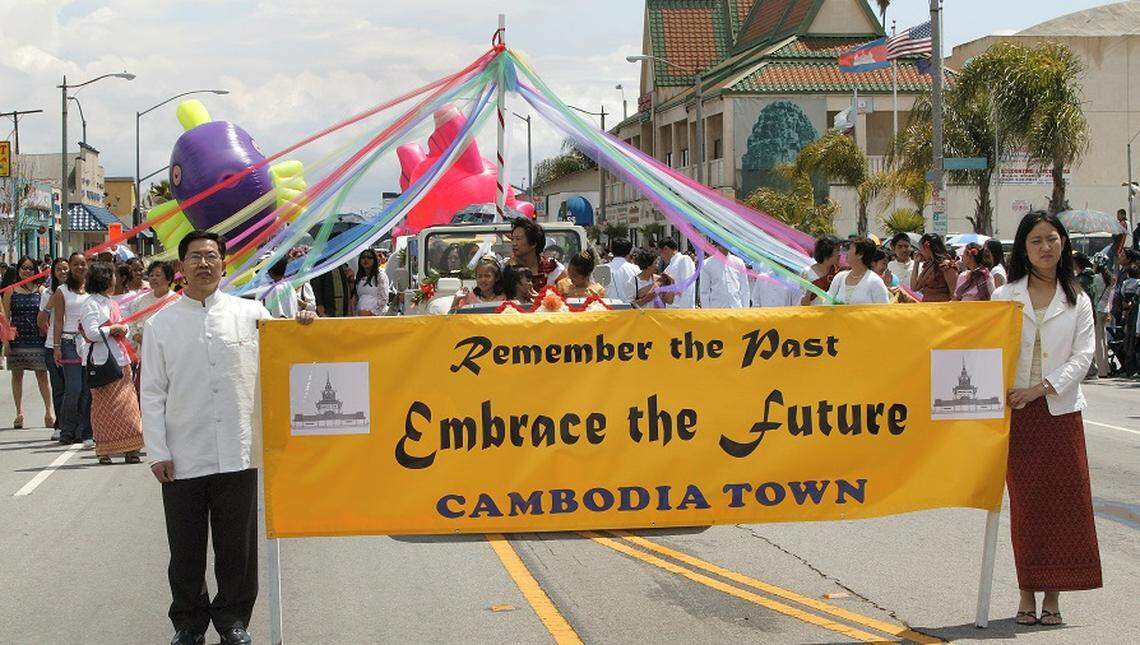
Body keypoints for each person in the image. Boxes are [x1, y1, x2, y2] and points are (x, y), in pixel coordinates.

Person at [142, 231, 316, 645]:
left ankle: (233, 619)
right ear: (181, 267)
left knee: (236, 548)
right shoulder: (160, 324)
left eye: (212, 257)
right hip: (182, 455)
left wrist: (305, 327)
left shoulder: (251, 313)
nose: (204, 264)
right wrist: (157, 452)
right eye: (195, 257)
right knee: (186, 550)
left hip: (239, 451)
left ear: (224, 264)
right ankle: (188, 623)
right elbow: (151, 392)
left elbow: (287, 353)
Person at [992, 211, 1102, 627]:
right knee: (1025, 506)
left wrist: (1040, 389)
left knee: (1064, 505)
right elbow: (982, 347)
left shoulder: (1078, 299)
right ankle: (1025, 591)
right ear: (1023, 247)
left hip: (1060, 412)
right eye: (1036, 240)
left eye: (1052, 239)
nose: (1045, 247)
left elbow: (1083, 357)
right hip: (1015, 415)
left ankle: (1053, 596)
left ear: (1063, 243)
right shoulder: (1005, 296)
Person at [79, 261, 143, 465]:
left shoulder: (112, 303)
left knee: (129, 405)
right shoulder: (90, 303)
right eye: (113, 276)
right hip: (102, 362)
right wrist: (112, 329)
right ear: (105, 279)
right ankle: (104, 449)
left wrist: (121, 329)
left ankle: (131, 448)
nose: (116, 280)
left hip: (121, 359)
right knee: (103, 408)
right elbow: (91, 333)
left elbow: (123, 326)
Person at [2, 257, 52, 429]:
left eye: (31, 268)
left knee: (42, 376)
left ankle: (48, 412)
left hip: (38, 338)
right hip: (17, 339)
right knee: (17, 376)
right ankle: (19, 412)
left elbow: (48, 315)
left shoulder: (41, 290)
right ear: (18, 270)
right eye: (24, 268)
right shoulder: (11, 291)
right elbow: (6, 318)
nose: (27, 271)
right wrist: (6, 342)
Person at [49, 252, 92, 447]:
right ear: (71, 266)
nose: (80, 267)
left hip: (89, 343)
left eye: (83, 264)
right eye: (76, 264)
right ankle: (66, 430)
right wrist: (56, 347)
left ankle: (82, 430)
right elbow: (58, 321)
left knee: (86, 389)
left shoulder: (93, 290)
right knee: (73, 388)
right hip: (69, 343)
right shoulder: (62, 291)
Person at [39, 257, 69, 439]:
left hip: (74, 345)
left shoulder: (79, 291)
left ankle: (77, 425)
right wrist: (50, 303)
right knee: (59, 387)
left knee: (75, 388)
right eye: (59, 269)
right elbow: (41, 320)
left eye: (66, 269)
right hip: (52, 346)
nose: (63, 272)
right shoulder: (47, 293)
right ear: (53, 272)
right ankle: (60, 425)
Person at [129, 261, 179, 349]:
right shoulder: (140, 300)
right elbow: (132, 322)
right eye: (151, 275)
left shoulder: (177, 301)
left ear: (169, 278)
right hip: (145, 349)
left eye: (158, 275)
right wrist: (137, 336)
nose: (153, 278)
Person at [509, 217, 566, 293]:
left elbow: (564, 298)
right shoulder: (505, 267)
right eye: (512, 239)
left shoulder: (555, 269)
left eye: (518, 239)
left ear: (533, 243)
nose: (514, 244)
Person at [825, 238, 890, 305]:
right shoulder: (839, 277)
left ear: (860, 254)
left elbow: (884, 311)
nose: (846, 253)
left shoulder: (875, 281)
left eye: (850, 249)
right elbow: (827, 304)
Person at [912, 233, 958, 302]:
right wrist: (916, 263)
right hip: (927, 308)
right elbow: (914, 287)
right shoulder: (928, 265)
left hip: (941, 308)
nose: (920, 252)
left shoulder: (946, 265)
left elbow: (954, 293)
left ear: (926, 248)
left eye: (921, 249)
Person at [800, 235, 841, 306]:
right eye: (837, 251)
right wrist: (809, 292)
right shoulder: (807, 272)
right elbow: (803, 303)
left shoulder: (838, 273)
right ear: (827, 252)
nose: (839, 254)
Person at [656, 238, 696, 308]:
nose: (661, 257)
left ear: (666, 249)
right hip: (671, 310)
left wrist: (684, 311)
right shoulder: (669, 267)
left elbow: (688, 287)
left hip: (681, 309)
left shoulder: (684, 259)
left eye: (660, 253)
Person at [353, 249, 389, 316]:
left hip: (376, 318)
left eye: (369, 257)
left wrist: (372, 313)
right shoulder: (359, 278)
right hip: (360, 317)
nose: (366, 260)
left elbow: (384, 299)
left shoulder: (380, 276)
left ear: (375, 260)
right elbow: (356, 299)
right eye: (363, 257)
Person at [604, 237, 639, 304]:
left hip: (608, 309)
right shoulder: (636, 269)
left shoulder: (602, 269)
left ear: (611, 249)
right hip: (630, 309)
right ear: (629, 251)